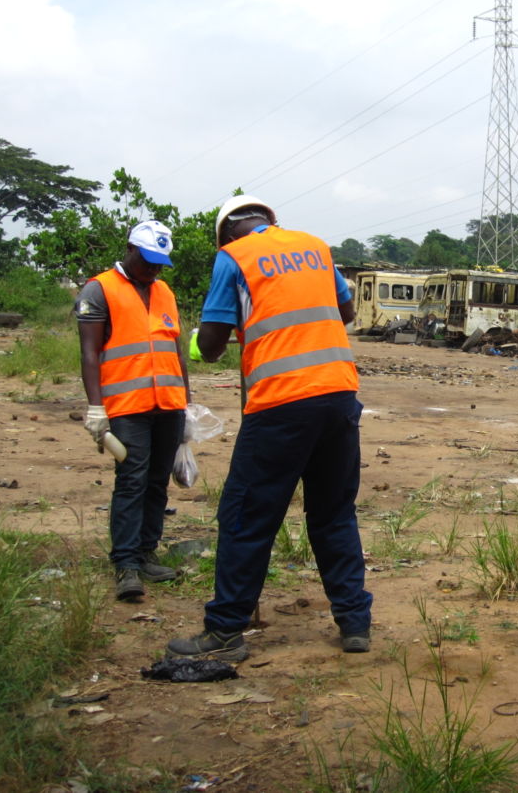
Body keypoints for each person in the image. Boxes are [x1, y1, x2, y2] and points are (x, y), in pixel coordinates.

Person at [166, 195, 371, 662]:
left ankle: (224, 631)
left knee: (245, 517)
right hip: (339, 396)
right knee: (334, 513)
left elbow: (214, 344)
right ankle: (355, 623)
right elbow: (347, 313)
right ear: (270, 221)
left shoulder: (233, 258)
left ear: (225, 235)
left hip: (280, 404)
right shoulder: (315, 246)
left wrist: (203, 339)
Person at [75, 220, 189, 601]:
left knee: (158, 482)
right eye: (148, 260)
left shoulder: (165, 291)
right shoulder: (99, 289)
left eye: (160, 262)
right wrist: (95, 407)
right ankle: (126, 565)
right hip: (127, 406)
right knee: (132, 480)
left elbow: (174, 348)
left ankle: (146, 552)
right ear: (129, 249)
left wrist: (186, 405)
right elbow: (90, 353)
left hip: (168, 404)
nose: (154, 269)